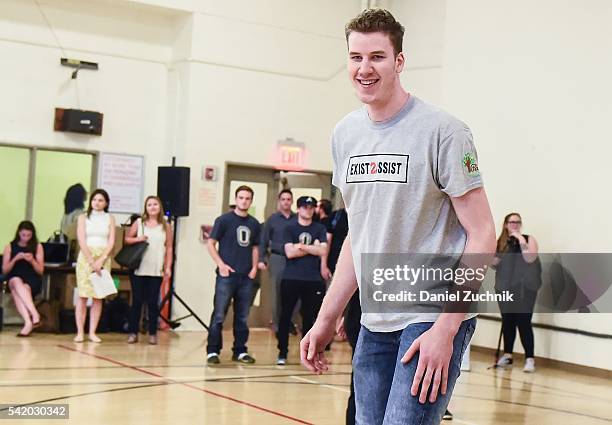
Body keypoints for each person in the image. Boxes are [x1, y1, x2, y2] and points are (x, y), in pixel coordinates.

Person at [299, 9, 496, 425]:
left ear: (399, 62)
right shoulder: (345, 134)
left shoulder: (444, 131)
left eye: (377, 57)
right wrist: (326, 318)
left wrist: (446, 330)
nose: (364, 68)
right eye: (356, 57)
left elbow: (481, 236)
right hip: (374, 318)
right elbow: (359, 236)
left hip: (431, 314)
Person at [206, 185, 261, 365]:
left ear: (251, 201)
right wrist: (221, 265)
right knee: (219, 314)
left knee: (242, 316)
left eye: (247, 198)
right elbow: (210, 244)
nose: (244, 201)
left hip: (246, 277)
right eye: (241, 197)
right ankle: (213, 350)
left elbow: (255, 247)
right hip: (226, 276)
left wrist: (254, 268)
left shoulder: (254, 223)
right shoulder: (224, 220)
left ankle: (240, 350)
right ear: (236, 199)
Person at [277, 196, 328, 365]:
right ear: (298, 209)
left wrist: (300, 246)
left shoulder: (319, 228)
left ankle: (308, 354)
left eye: (312, 207)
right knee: (285, 315)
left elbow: (323, 251)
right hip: (291, 277)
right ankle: (282, 352)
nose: (308, 210)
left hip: (312, 279)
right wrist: (313, 247)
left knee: (309, 317)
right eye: (305, 207)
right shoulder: (289, 227)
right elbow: (289, 253)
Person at [494, 212, 541, 373]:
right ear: (506, 224)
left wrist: (520, 239)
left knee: (523, 321)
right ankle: (508, 355)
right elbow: (494, 263)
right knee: (508, 321)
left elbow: (530, 258)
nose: (514, 224)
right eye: (511, 222)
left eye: (517, 222)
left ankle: (529, 359)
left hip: (525, 290)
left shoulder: (528, 239)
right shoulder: (501, 243)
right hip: (505, 288)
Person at [124, 196, 173, 345]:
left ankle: (153, 333)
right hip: (139, 268)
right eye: (149, 205)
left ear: (160, 207)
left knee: (153, 302)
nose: (152, 207)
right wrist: (137, 239)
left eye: (155, 204)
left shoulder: (166, 226)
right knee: (137, 301)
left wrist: (168, 267)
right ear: (145, 208)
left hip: (155, 269)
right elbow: (127, 239)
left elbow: (169, 247)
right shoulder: (139, 223)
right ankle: (133, 332)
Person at [74, 188, 116, 343]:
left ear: (106, 203)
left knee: (98, 297)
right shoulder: (83, 217)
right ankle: (79, 332)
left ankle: (92, 332)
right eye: (94, 200)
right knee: (83, 295)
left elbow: (111, 241)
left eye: (100, 200)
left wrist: (101, 259)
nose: (97, 203)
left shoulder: (110, 218)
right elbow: (81, 239)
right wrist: (91, 260)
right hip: (86, 256)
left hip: (103, 257)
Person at [258, 189, 296, 332]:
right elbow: (263, 240)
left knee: (293, 291)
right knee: (276, 291)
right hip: (277, 258)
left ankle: (289, 322)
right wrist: (262, 259)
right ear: (279, 201)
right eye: (283, 199)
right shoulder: (273, 219)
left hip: (294, 259)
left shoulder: (297, 218)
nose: (286, 202)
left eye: (288, 199)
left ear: (291, 201)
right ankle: (276, 323)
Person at [2, 221, 44, 337]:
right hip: (15, 276)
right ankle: (35, 314)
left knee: (20, 290)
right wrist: (15, 259)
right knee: (15, 281)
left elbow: (40, 270)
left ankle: (28, 322)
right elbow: (5, 270)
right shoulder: (10, 246)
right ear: (19, 233)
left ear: (33, 235)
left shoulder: (38, 246)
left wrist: (32, 260)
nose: (26, 238)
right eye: (23, 235)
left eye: (28, 236)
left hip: (31, 278)